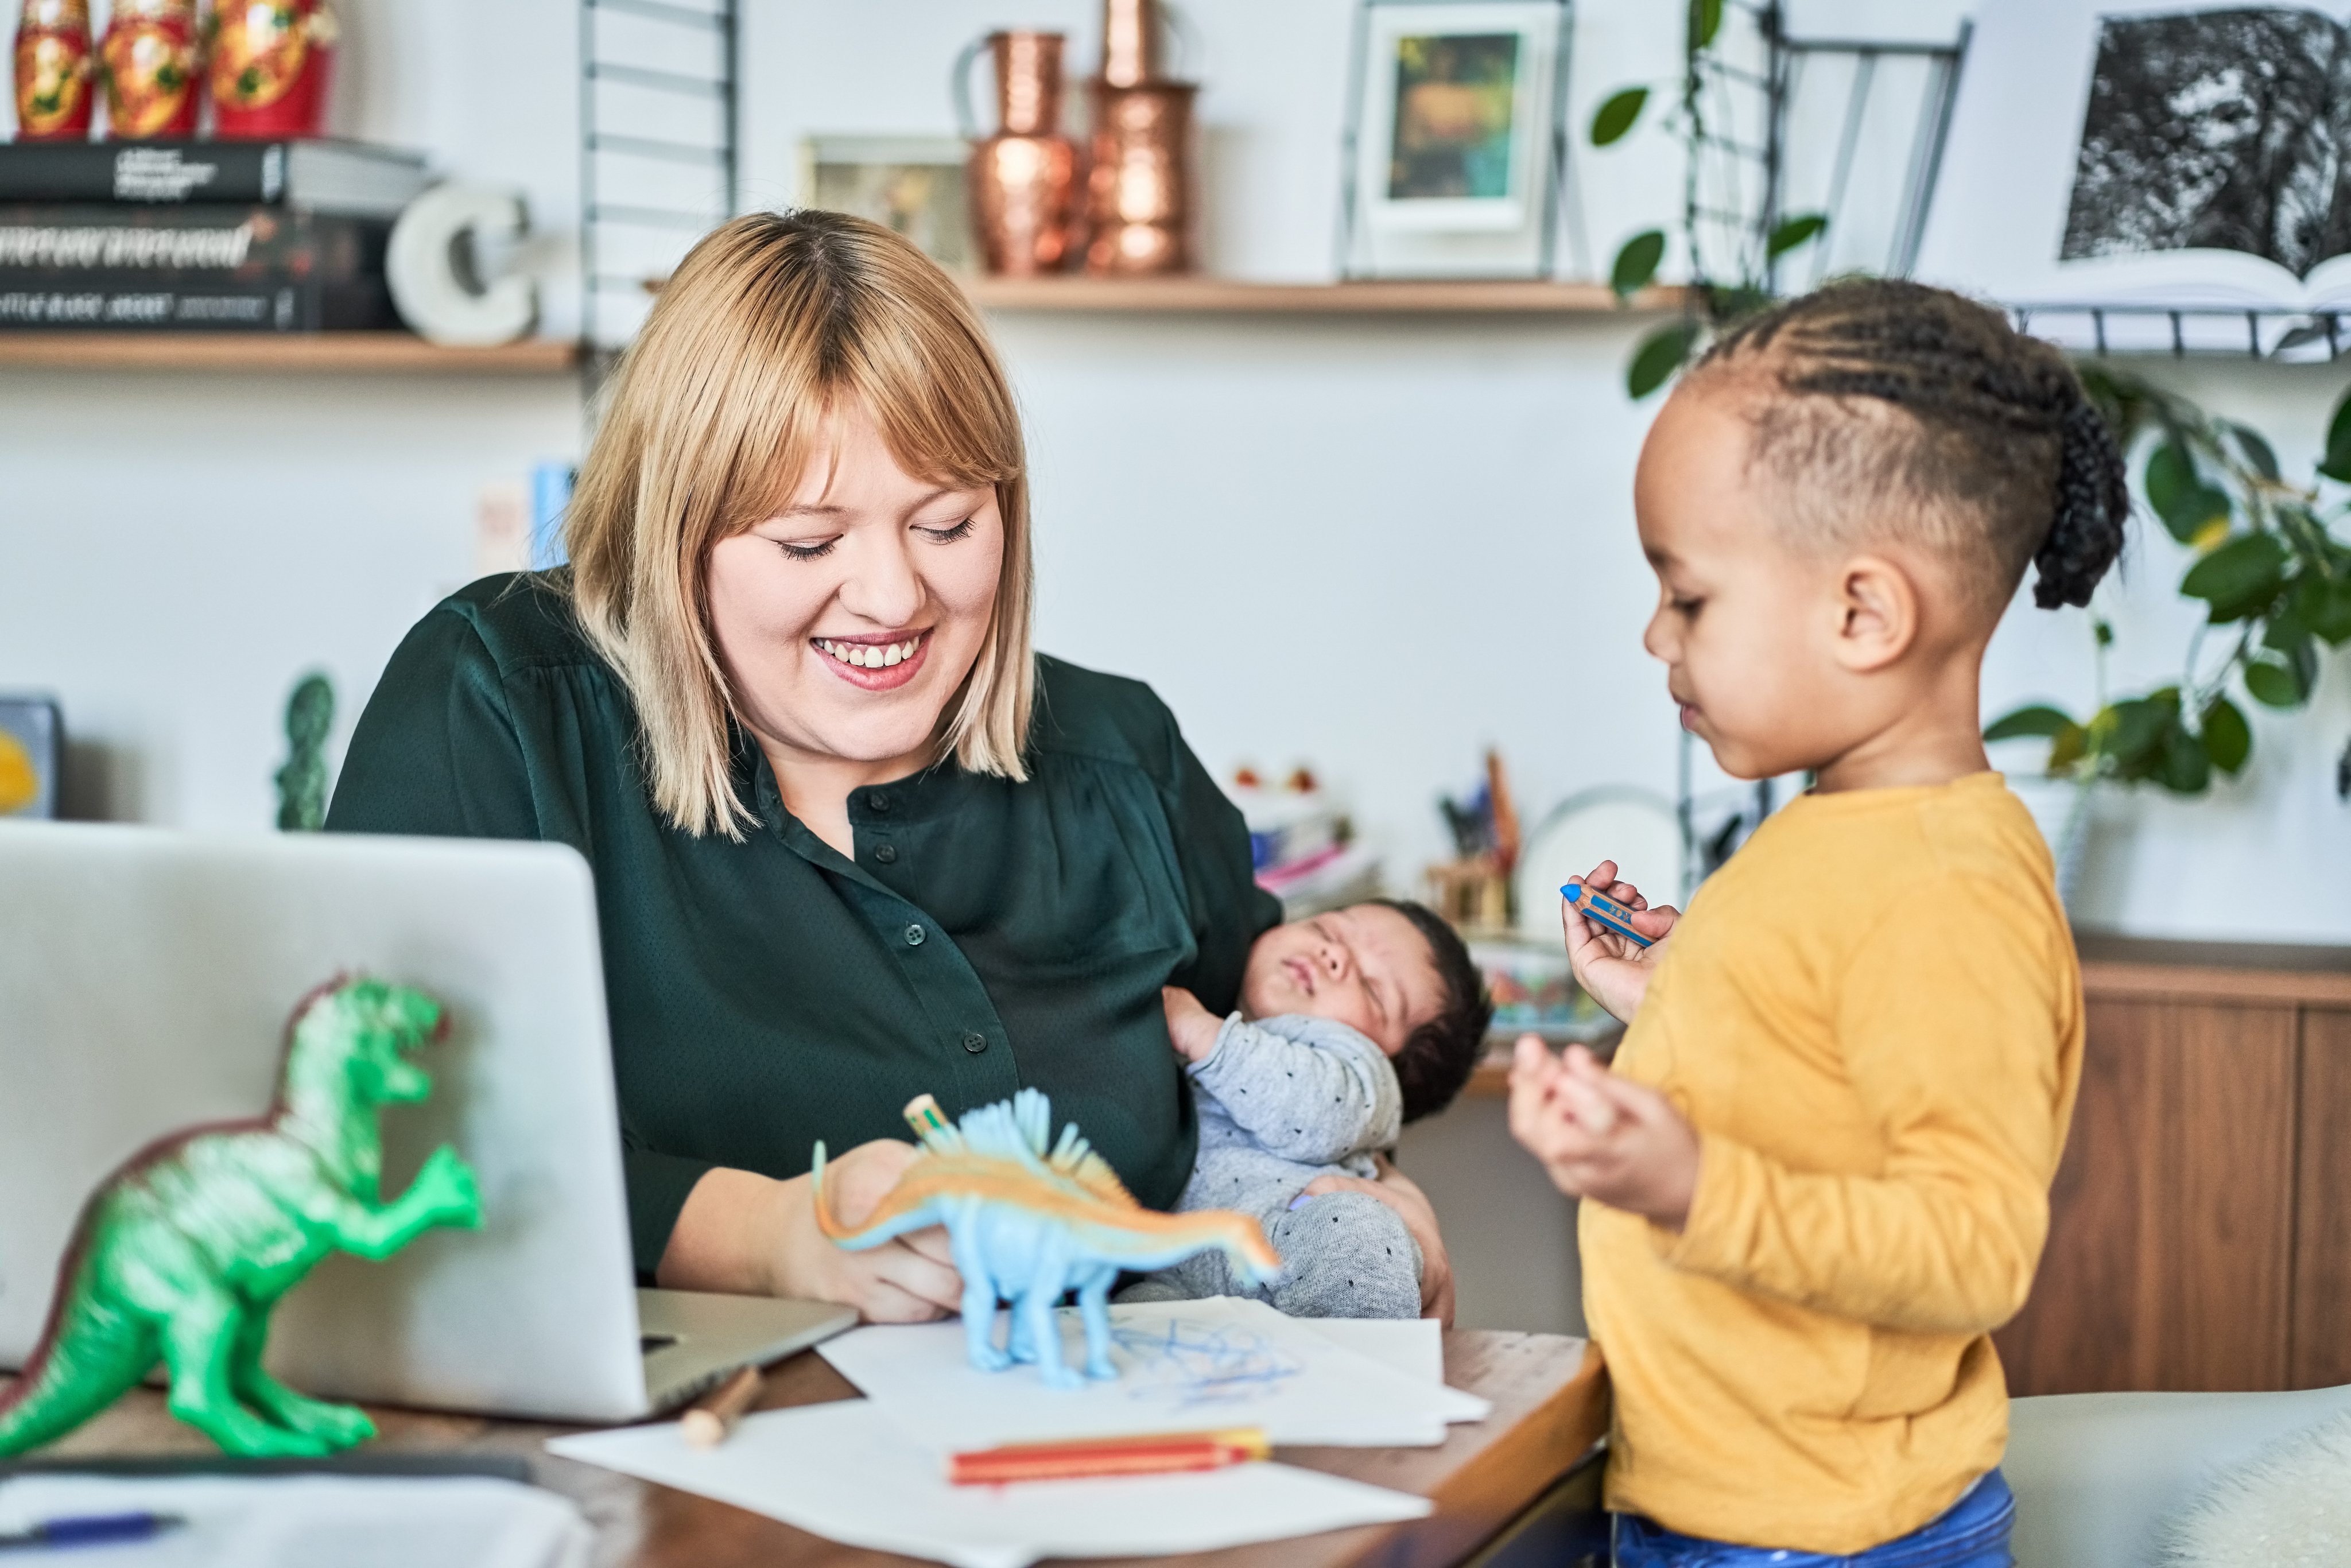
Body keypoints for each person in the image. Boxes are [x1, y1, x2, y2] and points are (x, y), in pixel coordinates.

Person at [325, 209, 1455, 1324]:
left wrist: (1371, 1183)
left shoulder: (1124, 759)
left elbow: (1281, 1071)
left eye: (947, 524)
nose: (891, 597)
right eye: (808, 542)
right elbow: (372, 1137)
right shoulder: (502, 702)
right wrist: (763, 1234)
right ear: (674, 532)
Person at [1508, 278, 2128, 1565]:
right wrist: (1672, 997)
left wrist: (1691, 1183)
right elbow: (1814, 1071)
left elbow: (1968, 1246)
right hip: (1722, 1505)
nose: (1652, 633)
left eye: (1686, 598)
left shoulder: (1945, 889)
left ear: (1863, 613)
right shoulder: (1836, 831)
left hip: (1827, 1538)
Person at [1128, 900, 1492, 1317]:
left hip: (1291, 1244)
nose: (1334, 956)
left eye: (1373, 990)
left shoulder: (1362, 1077)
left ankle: (1356, 1360)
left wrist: (1205, 1036)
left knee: (1360, 1235)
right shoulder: (1220, 1029)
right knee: (1123, 1324)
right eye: (1327, 931)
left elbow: (1319, 1110)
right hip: (1178, 1279)